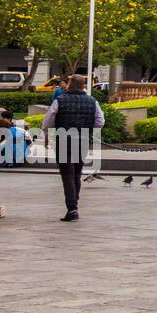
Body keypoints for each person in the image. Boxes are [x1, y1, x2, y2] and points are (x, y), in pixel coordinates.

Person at [40, 75, 104, 222]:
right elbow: (100, 122)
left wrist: (47, 133)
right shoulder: (92, 101)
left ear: (70, 84)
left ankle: (72, 208)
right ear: (83, 86)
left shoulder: (60, 100)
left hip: (63, 141)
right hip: (82, 140)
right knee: (76, 174)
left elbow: (48, 121)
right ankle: (74, 205)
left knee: (67, 175)